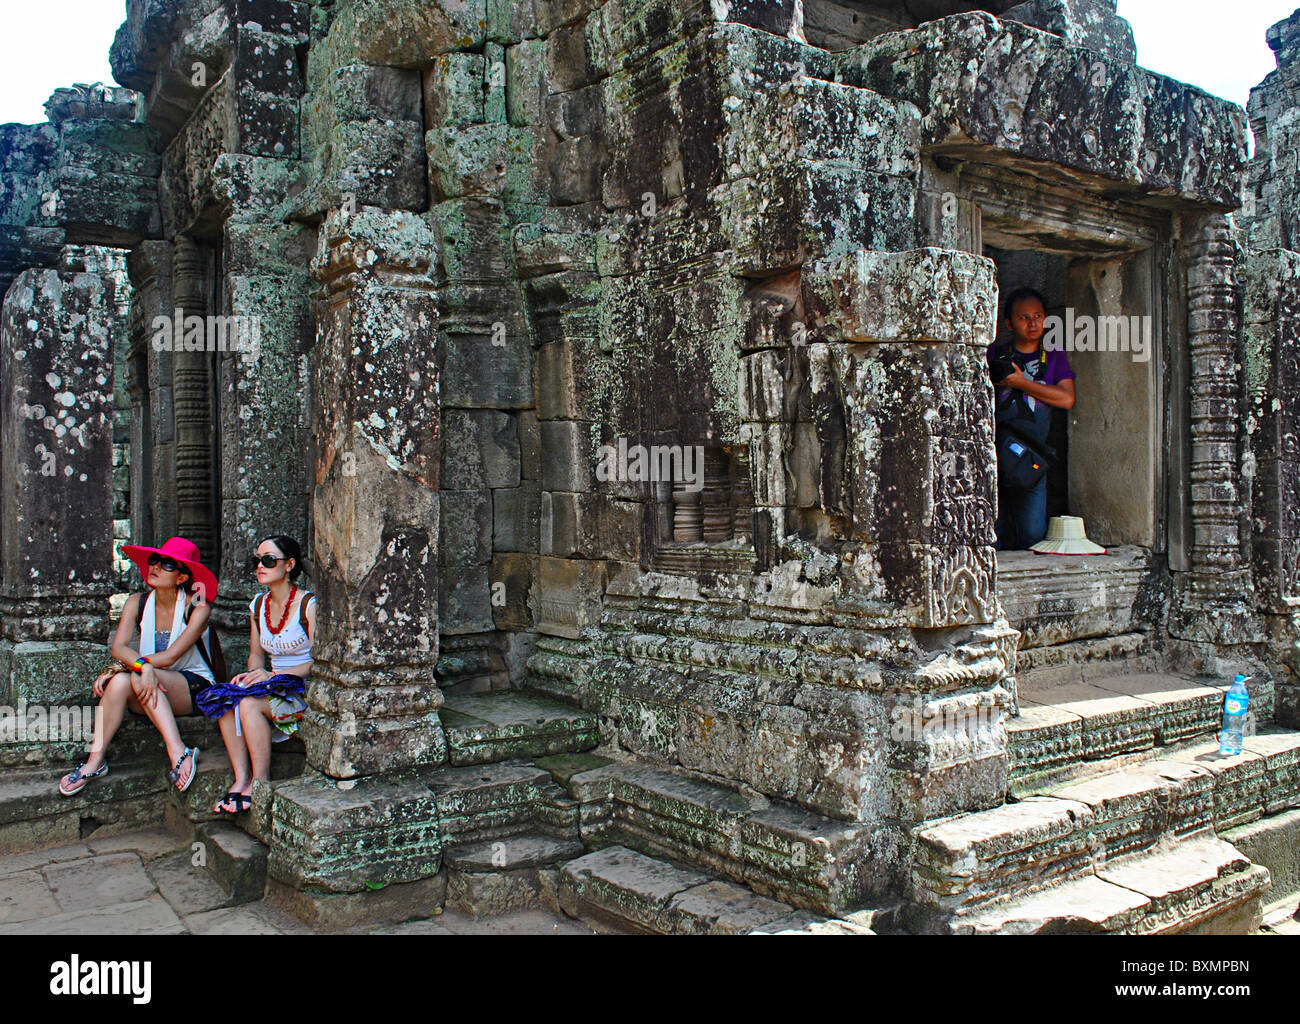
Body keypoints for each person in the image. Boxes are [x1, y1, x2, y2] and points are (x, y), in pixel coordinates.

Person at [58, 537, 219, 796]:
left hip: (193, 685)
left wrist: (136, 666)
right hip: (147, 681)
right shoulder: (137, 602)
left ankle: (178, 750)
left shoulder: (197, 607)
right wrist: (137, 669)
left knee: (129, 677)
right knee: (122, 682)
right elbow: (119, 648)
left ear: (181, 577)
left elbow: (169, 657)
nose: (154, 566)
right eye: (154, 560)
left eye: (167, 564)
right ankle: (94, 762)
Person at [198, 535, 314, 815]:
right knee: (226, 699)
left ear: (289, 565)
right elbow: (256, 656)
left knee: (248, 704)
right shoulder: (258, 606)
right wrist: (251, 677)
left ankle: (259, 781)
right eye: (257, 561)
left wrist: (272, 679)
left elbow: (320, 662)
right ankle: (240, 779)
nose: (260, 566)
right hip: (272, 685)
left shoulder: (308, 605)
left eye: (268, 560)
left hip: (304, 688)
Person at [987, 287, 1076, 549]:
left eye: (1038, 316)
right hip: (996, 453)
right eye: (1024, 317)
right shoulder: (994, 355)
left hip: (1034, 458)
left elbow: (1066, 398)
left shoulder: (1054, 356)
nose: (1032, 323)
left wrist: (1022, 382)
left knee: (1033, 531)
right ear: (1009, 323)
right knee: (993, 530)